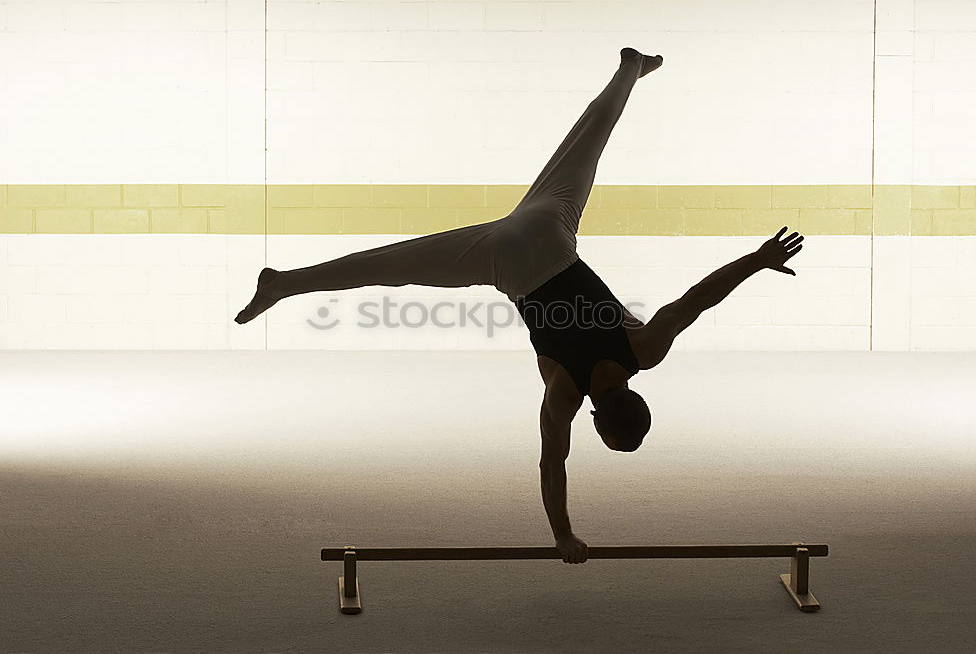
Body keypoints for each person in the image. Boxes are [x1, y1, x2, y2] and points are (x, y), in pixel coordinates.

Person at [234, 48, 804, 564]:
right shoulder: (563, 393)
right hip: (506, 264)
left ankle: (630, 68)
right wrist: (562, 535)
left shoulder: (643, 351)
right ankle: (283, 283)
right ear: (599, 420)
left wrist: (757, 258)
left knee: (586, 146)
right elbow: (552, 466)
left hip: (549, 232)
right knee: (391, 268)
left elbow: (694, 302)